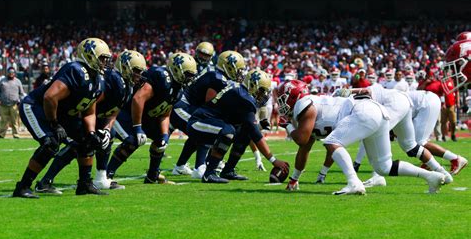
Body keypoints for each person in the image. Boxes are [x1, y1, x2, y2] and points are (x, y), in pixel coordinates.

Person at [277, 80, 445, 195]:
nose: (281, 103)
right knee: (383, 168)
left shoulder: (304, 103)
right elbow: (304, 147)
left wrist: (287, 125)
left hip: (364, 111)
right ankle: (431, 177)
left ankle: (353, 182)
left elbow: (301, 139)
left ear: (293, 96)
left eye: (283, 98)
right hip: (375, 112)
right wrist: (294, 179)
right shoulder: (309, 109)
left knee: (332, 142)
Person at [35, 50, 147, 193]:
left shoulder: (127, 86)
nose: (139, 75)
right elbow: (90, 101)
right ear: (125, 67)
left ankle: (101, 178)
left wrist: (106, 129)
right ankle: (46, 181)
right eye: (137, 70)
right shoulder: (114, 79)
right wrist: (91, 127)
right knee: (78, 145)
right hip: (85, 116)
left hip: (98, 118)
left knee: (107, 136)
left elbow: (114, 111)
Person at [12, 38, 111, 198]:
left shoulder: (99, 81)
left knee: (87, 141)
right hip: (36, 107)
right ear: (89, 56)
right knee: (51, 144)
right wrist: (54, 124)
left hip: (61, 114)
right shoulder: (76, 70)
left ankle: (85, 184)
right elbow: (50, 97)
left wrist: (91, 133)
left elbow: (89, 111)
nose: (105, 62)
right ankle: (22, 187)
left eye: (106, 59)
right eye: (102, 58)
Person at [106, 52, 197, 184]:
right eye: (187, 74)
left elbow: (165, 114)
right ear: (177, 69)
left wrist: (165, 135)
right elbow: (138, 99)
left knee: (160, 141)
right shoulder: (162, 76)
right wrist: (137, 128)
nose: (189, 78)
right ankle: (107, 175)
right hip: (126, 112)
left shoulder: (178, 89)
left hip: (146, 118)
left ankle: (152, 175)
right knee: (133, 140)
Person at [187, 69, 289, 183]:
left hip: (211, 121)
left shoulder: (241, 92)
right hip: (198, 122)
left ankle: (228, 170)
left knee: (245, 133)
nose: (262, 95)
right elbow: (256, 133)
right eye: (261, 90)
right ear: (252, 85)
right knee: (228, 132)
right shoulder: (244, 97)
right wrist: (273, 160)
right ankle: (209, 173)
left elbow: (250, 129)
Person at [171, 51, 246, 178]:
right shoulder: (218, 79)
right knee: (207, 130)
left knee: (197, 135)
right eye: (237, 69)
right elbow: (210, 104)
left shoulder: (217, 74)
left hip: (189, 108)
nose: (239, 73)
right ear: (227, 66)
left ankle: (180, 166)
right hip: (184, 108)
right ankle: (200, 167)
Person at [0, 67, 25, 138]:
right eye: (9, 72)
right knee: (3, 121)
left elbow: (21, 93)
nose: (11, 74)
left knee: (15, 121)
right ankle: (1, 135)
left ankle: (16, 134)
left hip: (14, 105)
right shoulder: (2, 81)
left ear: (14, 73)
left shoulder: (18, 81)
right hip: (3, 104)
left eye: (12, 73)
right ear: (7, 73)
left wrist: (20, 101)